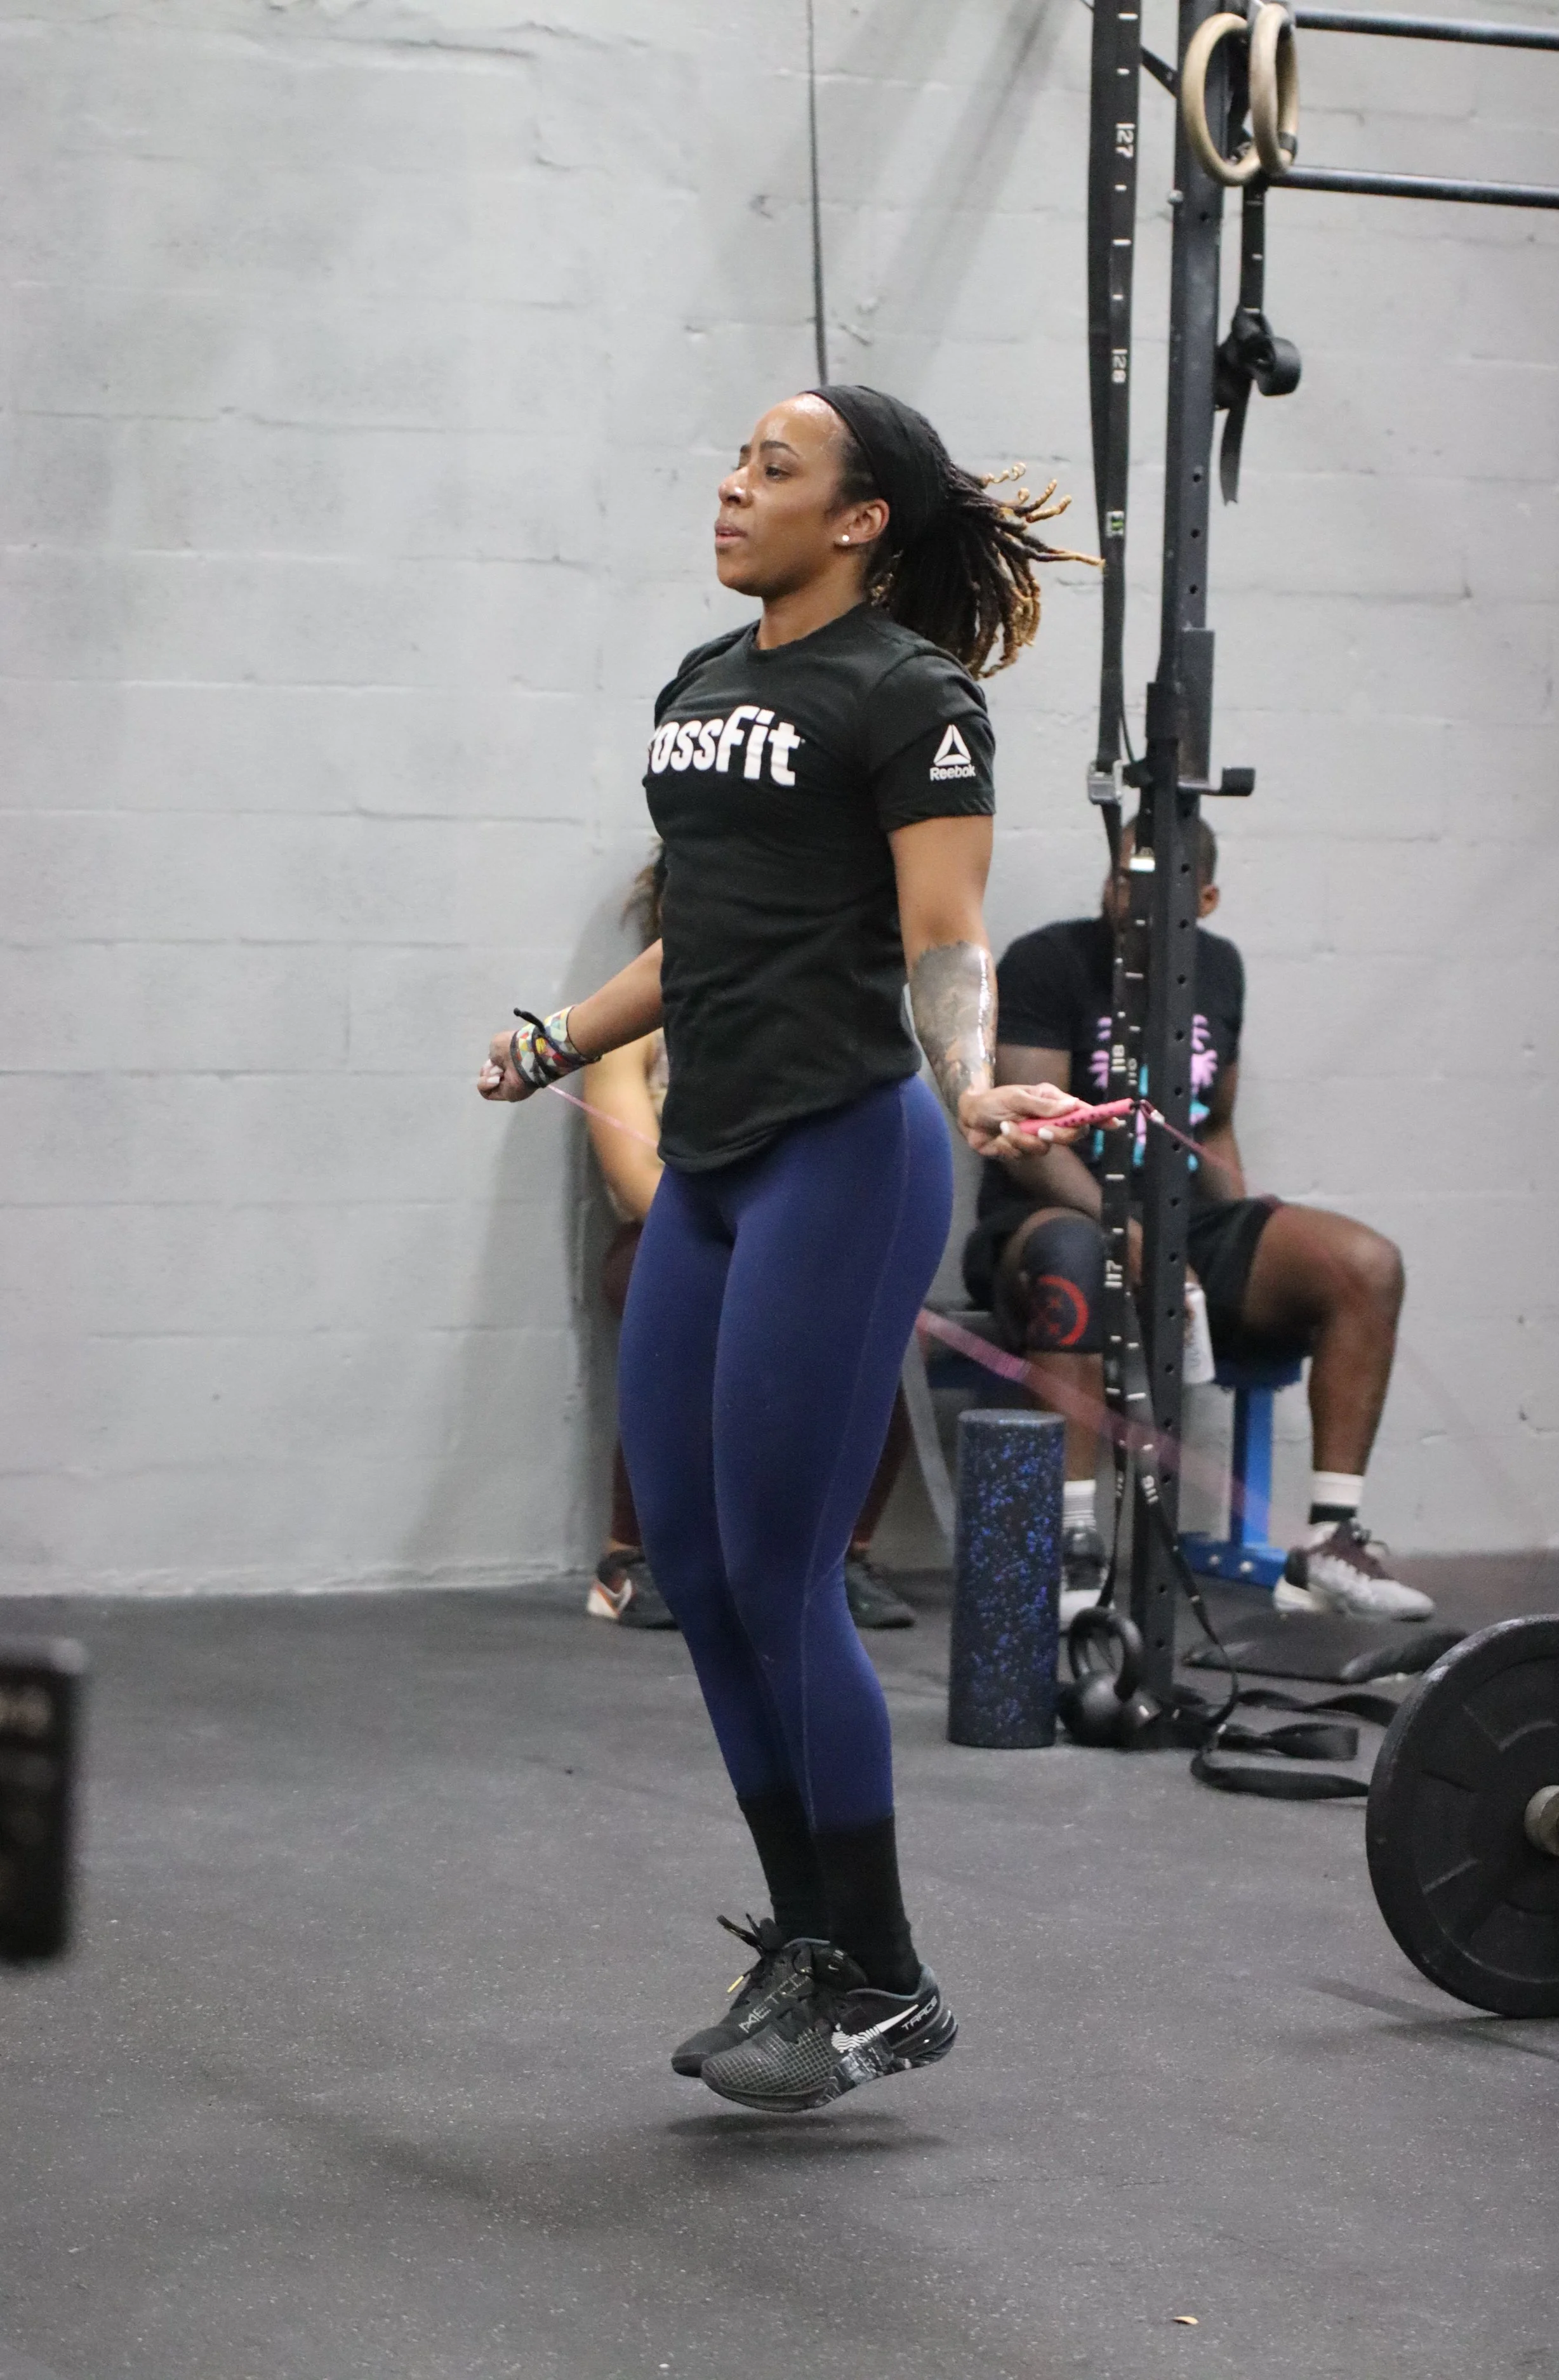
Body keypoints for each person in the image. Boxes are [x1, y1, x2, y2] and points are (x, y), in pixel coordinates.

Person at [479, 384, 1092, 2111]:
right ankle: (814, 1939)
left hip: (847, 1145)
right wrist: (550, 1038)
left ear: (860, 520)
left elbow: (944, 934)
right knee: (687, 1552)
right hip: (719, 1159)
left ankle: (881, 1973)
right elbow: (703, 942)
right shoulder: (703, 688)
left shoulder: (913, 697)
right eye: (737, 457)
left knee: (779, 1562)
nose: (732, 485)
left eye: (775, 469)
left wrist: (976, 1089)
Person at [963, 817, 1433, 1622]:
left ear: (1205, 897)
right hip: (1046, 1221)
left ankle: (1329, 1544)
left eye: (1157, 884)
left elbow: (1209, 1127)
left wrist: (1244, 1234)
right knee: (1084, 1256)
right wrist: (1129, 1230)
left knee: (1362, 1264)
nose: (1131, 895)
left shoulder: (1218, 971)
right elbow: (1030, 1141)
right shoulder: (1049, 961)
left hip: (1178, 1222)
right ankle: (1073, 1550)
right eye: (1121, 877)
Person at [582, 854, 920, 1633]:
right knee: (670, 1305)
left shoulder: (793, 1022)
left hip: (788, 1239)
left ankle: (843, 1557)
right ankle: (628, 1557)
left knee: (877, 1338)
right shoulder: (627, 1034)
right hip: (671, 1232)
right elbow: (637, 1174)